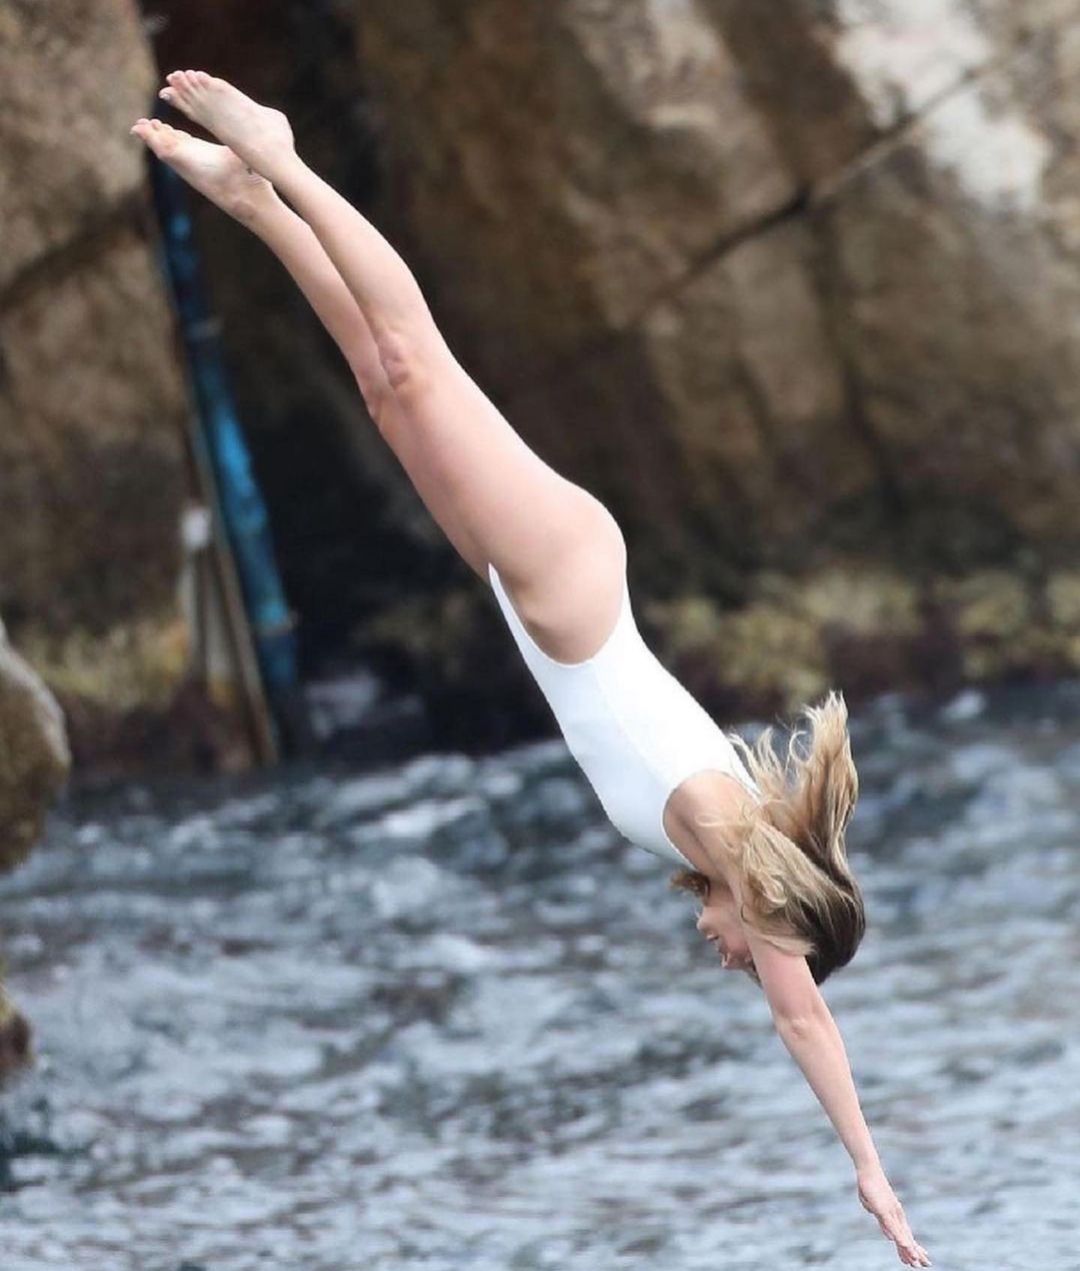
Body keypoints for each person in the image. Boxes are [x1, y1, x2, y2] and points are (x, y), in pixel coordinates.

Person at [132, 71, 931, 1267]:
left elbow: (794, 993)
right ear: (785, 913)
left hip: (538, 591)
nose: (737, 957)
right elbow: (803, 1018)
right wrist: (868, 1167)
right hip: (568, 575)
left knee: (388, 390)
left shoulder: (712, 840)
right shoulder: (733, 839)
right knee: (416, 360)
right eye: (765, 951)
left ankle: (255, 202)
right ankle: (284, 157)